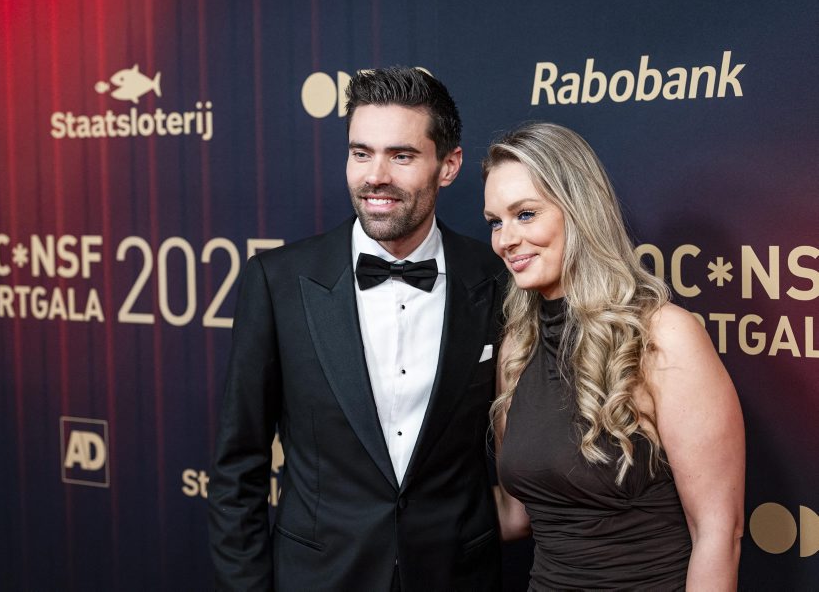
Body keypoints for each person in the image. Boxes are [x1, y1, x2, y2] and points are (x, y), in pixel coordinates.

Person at [208, 67, 505, 591]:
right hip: (319, 577)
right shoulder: (279, 282)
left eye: (402, 156)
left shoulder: (497, 280)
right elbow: (238, 467)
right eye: (361, 153)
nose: (375, 176)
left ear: (449, 165)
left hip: (458, 576)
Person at [482, 122, 745, 590]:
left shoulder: (662, 335)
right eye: (495, 222)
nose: (506, 239)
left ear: (579, 210)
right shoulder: (517, 348)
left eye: (525, 214)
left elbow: (718, 533)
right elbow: (517, 515)